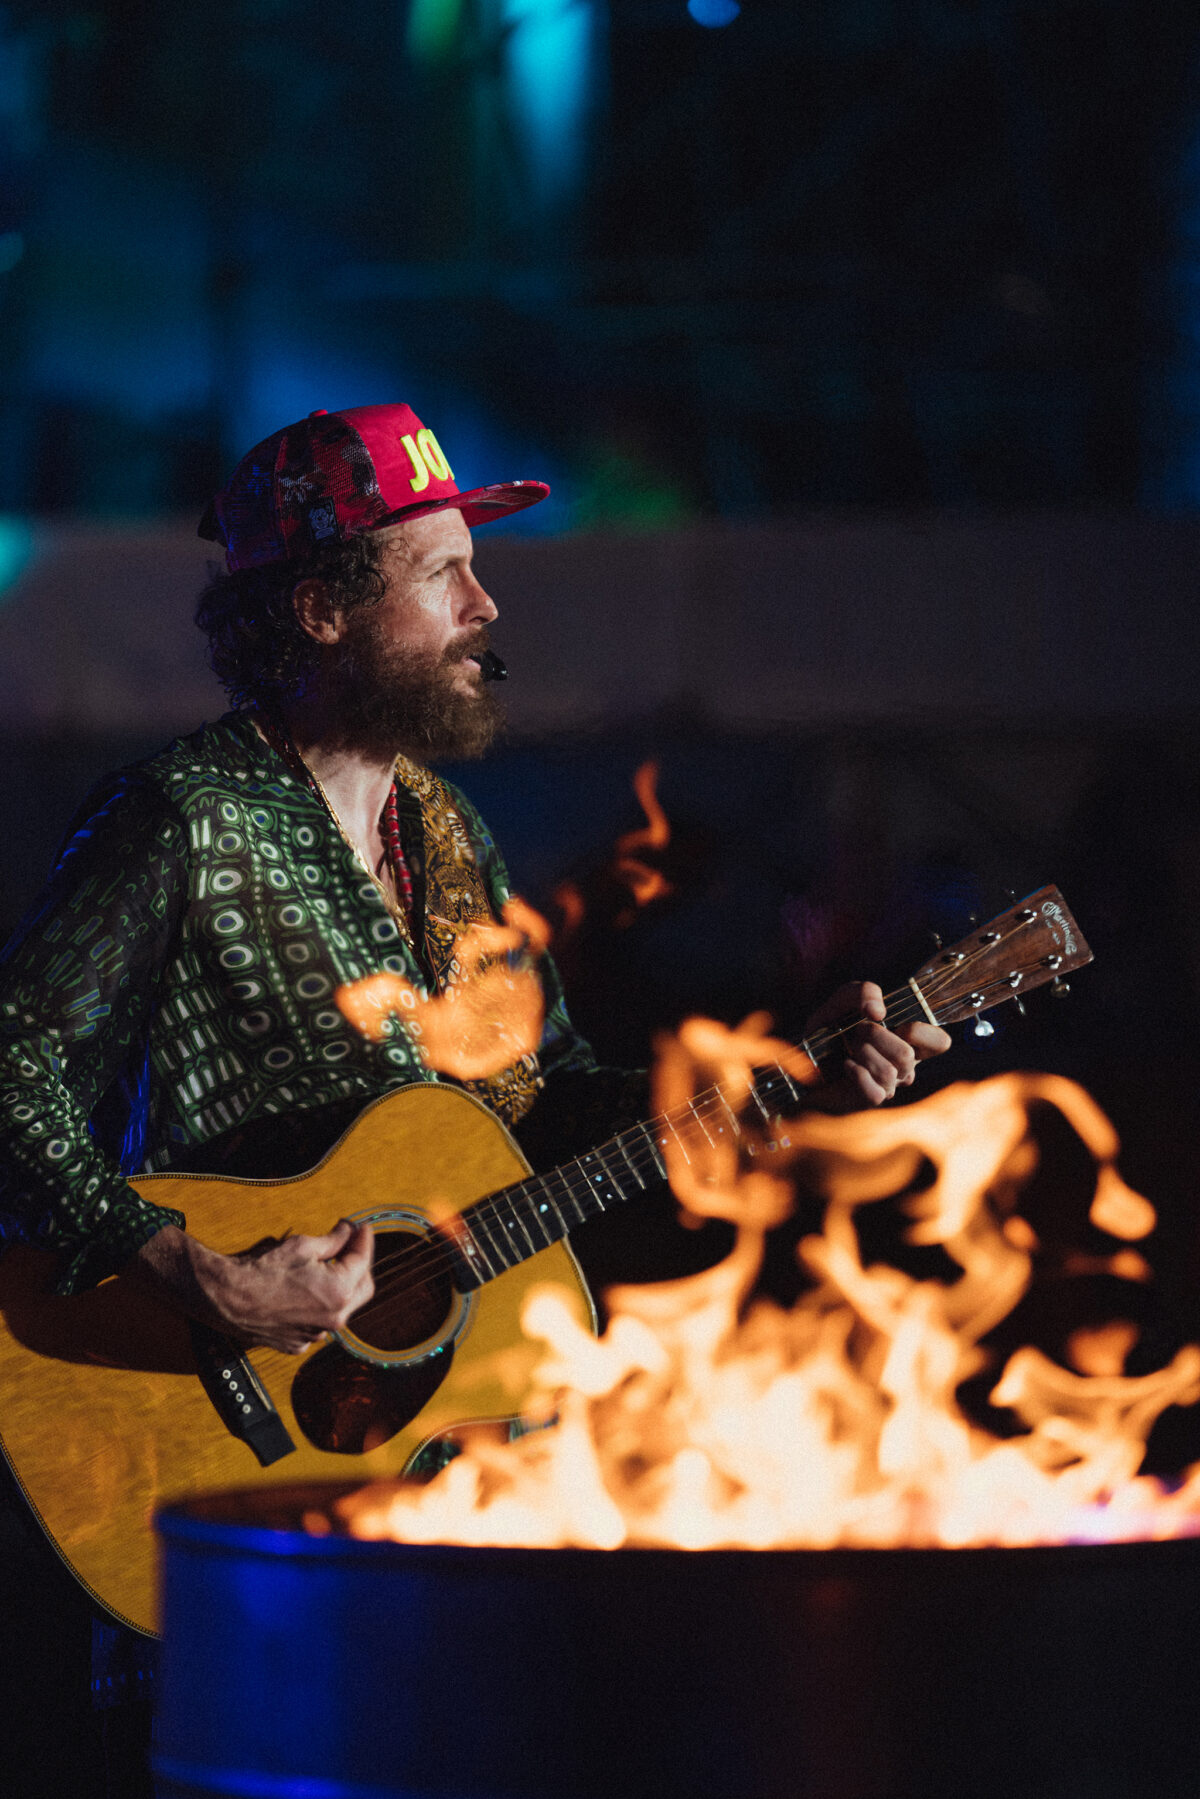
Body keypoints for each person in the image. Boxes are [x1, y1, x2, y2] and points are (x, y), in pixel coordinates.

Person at [0, 401, 949, 1792]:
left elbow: (543, 1106)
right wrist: (199, 1272)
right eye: (441, 571)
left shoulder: (447, 836)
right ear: (321, 609)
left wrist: (766, 1090)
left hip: (440, 1485)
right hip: (213, 1461)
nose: (484, 602)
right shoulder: (183, 821)